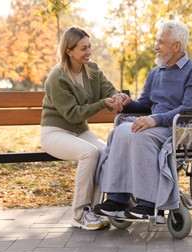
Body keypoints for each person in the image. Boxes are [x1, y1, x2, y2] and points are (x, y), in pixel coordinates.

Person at [94, 20, 192, 223]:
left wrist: (155, 120)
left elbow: (189, 109)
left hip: (180, 129)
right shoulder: (155, 72)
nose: (156, 46)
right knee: (120, 131)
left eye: (161, 42)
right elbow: (145, 104)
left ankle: (147, 204)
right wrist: (126, 104)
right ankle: (117, 199)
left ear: (176, 46)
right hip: (156, 124)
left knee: (141, 136)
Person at [40, 26, 129, 230]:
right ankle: (79, 214)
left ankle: (95, 210)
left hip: (79, 131)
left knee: (105, 151)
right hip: (55, 132)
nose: (88, 52)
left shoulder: (92, 68)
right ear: (69, 51)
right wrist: (103, 104)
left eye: (90, 46)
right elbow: (73, 114)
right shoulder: (57, 76)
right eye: (83, 48)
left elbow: (107, 88)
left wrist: (117, 96)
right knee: (89, 153)